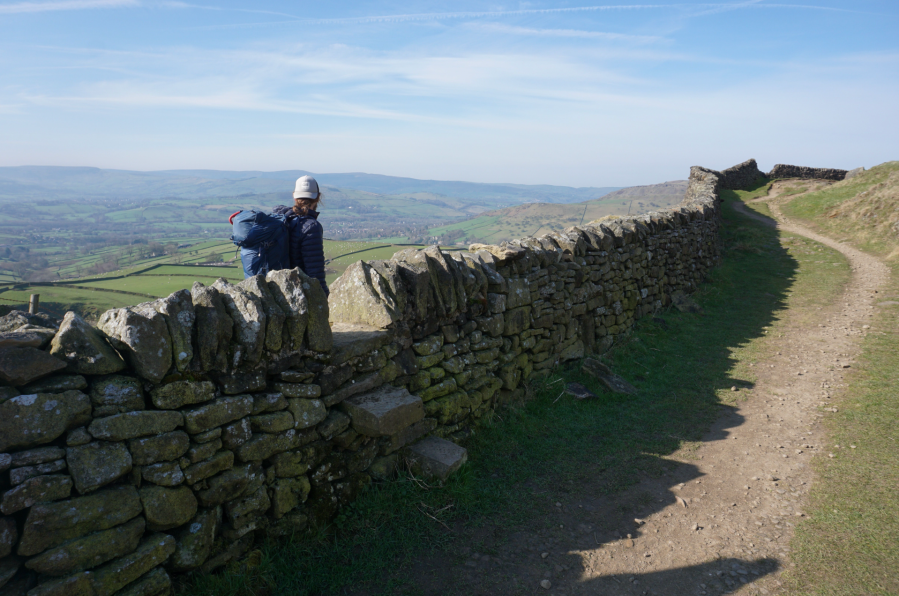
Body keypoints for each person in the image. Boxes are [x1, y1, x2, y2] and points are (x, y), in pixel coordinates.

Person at [273, 175, 328, 296]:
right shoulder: (311, 227)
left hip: (273, 289)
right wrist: (324, 298)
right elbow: (315, 272)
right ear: (318, 197)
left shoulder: (281, 219)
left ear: (294, 196)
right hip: (297, 293)